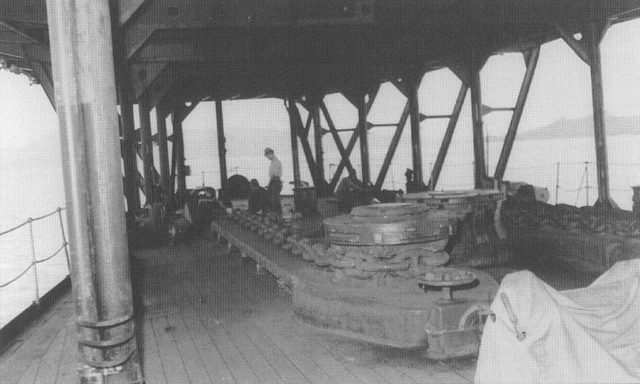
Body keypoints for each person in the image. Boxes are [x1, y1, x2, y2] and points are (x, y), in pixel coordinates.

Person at [264, 147, 282, 214]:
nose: (267, 157)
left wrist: (269, 185)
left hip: (275, 182)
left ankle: (277, 214)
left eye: (267, 155)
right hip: (274, 182)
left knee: (274, 199)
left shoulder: (275, 162)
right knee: (274, 199)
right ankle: (275, 214)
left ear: (270, 153)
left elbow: (273, 175)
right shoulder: (273, 162)